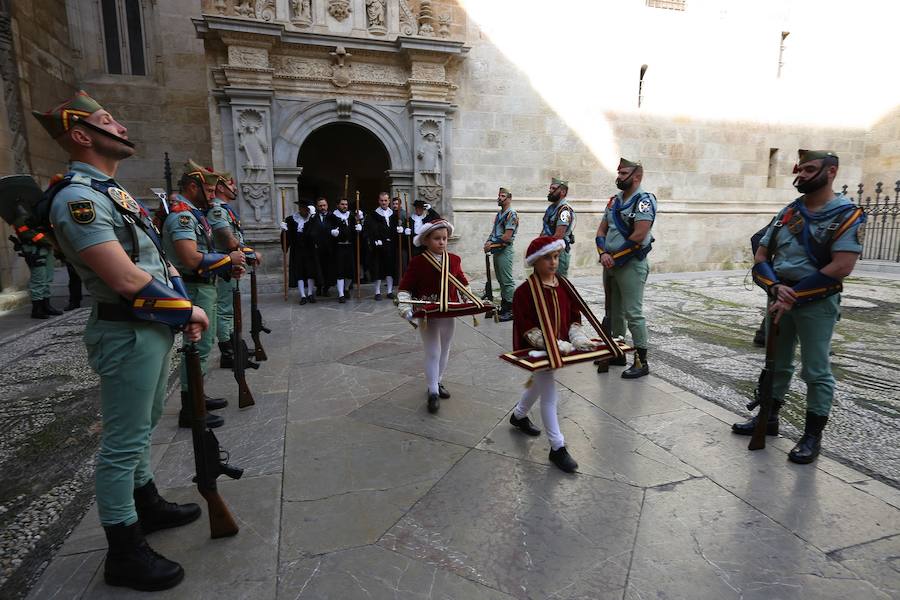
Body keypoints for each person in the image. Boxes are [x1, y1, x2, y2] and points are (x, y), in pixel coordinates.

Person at [33, 90, 209, 591]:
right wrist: (188, 310)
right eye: (109, 121)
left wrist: (175, 311)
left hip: (149, 326)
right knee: (122, 441)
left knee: (146, 421)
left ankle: (145, 502)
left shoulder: (111, 192)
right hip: (127, 329)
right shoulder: (80, 199)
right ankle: (123, 549)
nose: (123, 127)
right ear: (83, 135)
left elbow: (154, 262)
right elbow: (127, 280)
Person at [735, 149, 865, 465]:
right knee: (776, 363)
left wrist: (791, 294)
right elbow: (762, 256)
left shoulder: (847, 214)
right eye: (801, 170)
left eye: (809, 170)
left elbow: (843, 265)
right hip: (779, 297)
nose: (802, 175)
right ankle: (769, 418)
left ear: (831, 171)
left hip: (816, 302)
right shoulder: (788, 212)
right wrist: (777, 289)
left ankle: (811, 436)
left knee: (816, 370)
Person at [162, 159, 247, 429]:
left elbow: (205, 253)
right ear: (192, 187)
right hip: (194, 286)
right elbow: (190, 258)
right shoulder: (183, 216)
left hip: (204, 284)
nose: (213, 197)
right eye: (208, 192)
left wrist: (225, 268)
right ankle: (191, 406)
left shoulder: (195, 214)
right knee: (196, 349)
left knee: (202, 348)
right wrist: (228, 260)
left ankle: (197, 395)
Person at [508, 236, 600, 473]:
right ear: (535, 262)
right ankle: (557, 447)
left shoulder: (564, 285)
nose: (553, 262)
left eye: (556, 257)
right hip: (537, 349)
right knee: (550, 394)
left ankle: (518, 416)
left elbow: (574, 315)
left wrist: (577, 337)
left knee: (539, 385)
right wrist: (551, 344)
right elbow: (527, 327)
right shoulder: (524, 292)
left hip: (560, 348)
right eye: (547, 257)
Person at [397, 219, 473, 413]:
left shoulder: (454, 260)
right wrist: (405, 308)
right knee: (433, 352)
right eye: (437, 238)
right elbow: (405, 287)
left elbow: (462, 282)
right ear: (426, 240)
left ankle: (437, 381)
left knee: (446, 349)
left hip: (449, 311)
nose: (442, 242)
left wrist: (471, 298)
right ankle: (432, 392)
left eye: (445, 239)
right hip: (428, 313)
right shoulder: (418, 262)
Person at [595, 158, 656, 379]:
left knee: (633, 313)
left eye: (623, 174)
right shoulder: (614, 202)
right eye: (618, 173)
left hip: (630, 264)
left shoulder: (644, 201)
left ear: (636, 177)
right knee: (614, 311)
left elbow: (640, 234)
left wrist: (614, 257)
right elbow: (601, 231)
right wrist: (603, 253)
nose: (619, 177)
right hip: (609, 263)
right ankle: (618, 353)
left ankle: (641, 361)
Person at [205, 168, 260, 368]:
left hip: (232, 264)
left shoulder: (226, 209)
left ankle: (235, 346)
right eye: (231, 183)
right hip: (224, 267)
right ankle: (228, 353)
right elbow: (228, 240)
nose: (234, 187)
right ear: (221, 187)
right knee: (225, 310)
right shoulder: (217, 210)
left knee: (230, 308)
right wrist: (251, 253)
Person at [8, 205, 61, 318]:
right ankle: (37, 309)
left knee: (47, 278)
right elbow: (32, 235)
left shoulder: (35, 216)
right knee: (39, 280)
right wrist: (49, 241)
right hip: (35, 250)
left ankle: (46, 306)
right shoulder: (20, 220)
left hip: (45, 249)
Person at [483, 186, 518, 322]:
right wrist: (488, 242)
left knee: (507, 280)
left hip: (505, 250)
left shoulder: (511, 214)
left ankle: (511, 309)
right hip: (496, 250)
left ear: (509, 198)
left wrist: (491, 244)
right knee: (500, 279)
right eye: (499, 196)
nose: (500, 198)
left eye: (503, 196)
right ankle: (504, 306)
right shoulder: (499, 214)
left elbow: (507, 236)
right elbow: (494, 232)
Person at [327, 197, 363, 303]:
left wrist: (359, 227)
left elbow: (356, 227)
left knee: (350, 270)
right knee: (340, 270)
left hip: (350, 246)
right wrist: (332, 231)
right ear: (338, 205)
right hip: (339, 246)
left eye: (346, 204)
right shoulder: (333, 216)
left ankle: (346, 288)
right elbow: (328, 228)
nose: (344, 206)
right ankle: (341, 294)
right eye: (342, 204)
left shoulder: (351, 216)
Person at [366, 191, 401, 300]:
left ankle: (390, 291)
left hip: (391, 245)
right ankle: (377, 292)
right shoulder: (373, 215)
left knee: (390, 268)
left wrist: (400, 230)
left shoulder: (394, 214)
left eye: (385, 200)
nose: (383, 202)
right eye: (381, 200)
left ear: (389, 201)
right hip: (379, 246)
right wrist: (375, 240)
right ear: (379, 201)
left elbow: (396, 228)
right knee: (378, 268)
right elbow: (370, 230)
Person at [282, 200, 318, 304]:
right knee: (299, 272)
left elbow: (316, 232)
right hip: (297, 250)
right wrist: (284, 230)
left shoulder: (312, 220)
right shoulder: (291, 220)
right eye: (301, 207)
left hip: (309, 250)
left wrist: (312, 216)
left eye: (305, 208)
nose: (303, 210)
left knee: (310, 272)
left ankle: (310, 293)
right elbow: (287, 237)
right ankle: (303, 295)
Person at [543, 177, 575, 277]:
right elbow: (544, 230)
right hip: (549, 249)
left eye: (553, 189)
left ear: (563, 192)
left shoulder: (564, 210)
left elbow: (558, 236)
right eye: (550, 188)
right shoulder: (551, 208)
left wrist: (543, 249)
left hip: (558, 253)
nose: (550, 191)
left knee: (559, 284)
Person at [307, 197, 333, 297]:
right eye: (320, 206)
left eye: (324, 205)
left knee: (328, 269)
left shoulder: (332, 216)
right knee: (318, 269)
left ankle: (326, 288)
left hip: (329, 248)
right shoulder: (313, 218)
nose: (322, 207)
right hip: (317, 248)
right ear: (317, 207)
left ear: (327, 206)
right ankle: (319, 287)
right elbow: (309, 231)